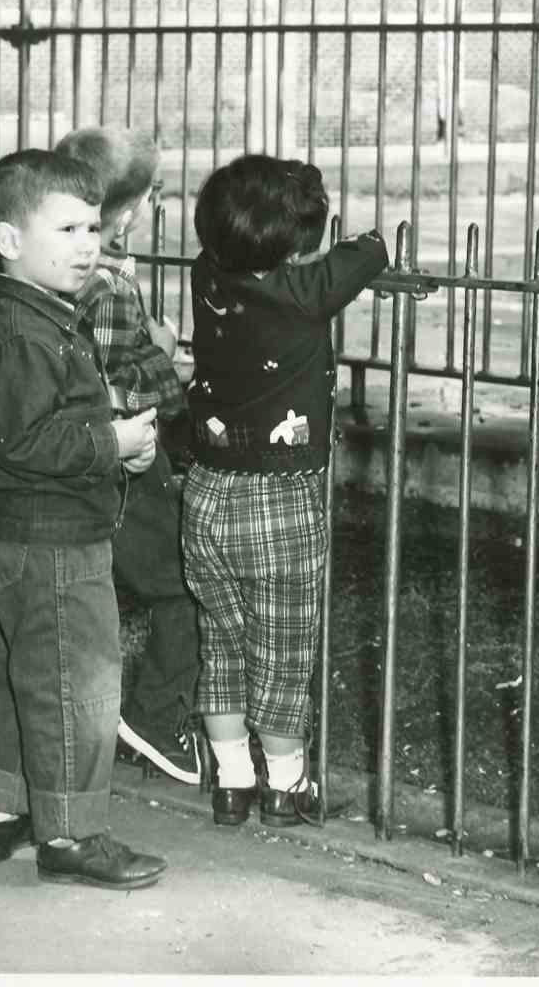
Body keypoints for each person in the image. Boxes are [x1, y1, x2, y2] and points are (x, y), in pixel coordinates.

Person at [0, 148, 167, 891]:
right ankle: (73, 832)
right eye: (68, 229)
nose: (90, 245)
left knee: (26, 674)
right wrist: (112, 440)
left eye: (93, 228)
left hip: (24, 531)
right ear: (9, 243)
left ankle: (2, 809)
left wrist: (114, 441)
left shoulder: (37, 317)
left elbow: (36, 425)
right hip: (51, 539)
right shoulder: (22, 334)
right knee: (77, 682)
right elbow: (27, 442)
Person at [181, 155, 389, 827]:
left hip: (207, 489)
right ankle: (286, 786)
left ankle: (231, 783)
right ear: (295, 245)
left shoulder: (205, 275)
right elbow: (368, 252)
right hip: (279, 498)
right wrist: (351, 242)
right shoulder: (303, 293)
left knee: (223, 643)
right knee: (283, 650)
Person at [54, 127, 203, 785]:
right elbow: (103, 376)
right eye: (150, 195)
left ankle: (84, 718)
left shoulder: (76, 273)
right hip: (132, 456)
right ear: (122, 209)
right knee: (186, 588)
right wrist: (164, 356)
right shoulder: (108, 287)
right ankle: (154, 719)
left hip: (96, 457)